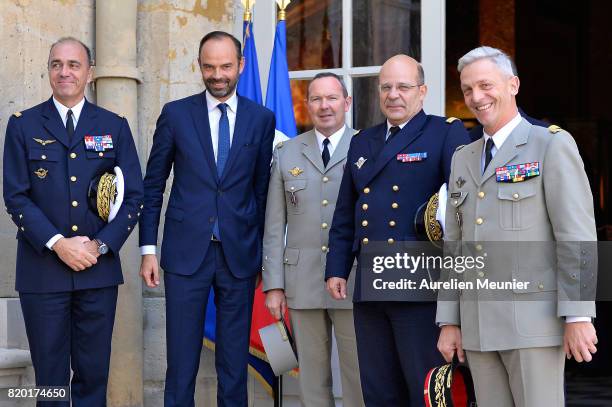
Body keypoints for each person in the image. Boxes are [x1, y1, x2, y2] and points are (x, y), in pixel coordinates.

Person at [436, 46, 598, 407]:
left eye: (485, 85)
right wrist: (449, 320)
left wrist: (578, 314)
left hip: (532, 326)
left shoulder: (550, 145)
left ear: (513, 85)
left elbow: (575, 234)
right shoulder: (463, 158)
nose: (476, 97)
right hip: (478, 328)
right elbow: (455, 246)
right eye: (467, 89)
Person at [2, 37, 143, 405]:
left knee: (93, 376)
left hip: (97, 270)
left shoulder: (114, 126)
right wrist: (59, 244)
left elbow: (133, 197)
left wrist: (98, 246)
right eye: (56, 64)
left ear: (90, 73)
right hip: (42, 271)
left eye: (74, 64)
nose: (64, 72)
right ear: (49, 70)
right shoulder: (22, 125)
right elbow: (16, 196)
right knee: (49, 380)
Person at [138, 31, 275, 407]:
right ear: (199, 66)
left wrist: (263, 254)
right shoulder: (176, 114)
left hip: (240, 256)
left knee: (234, 365)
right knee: (180, 363)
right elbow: (153, 186)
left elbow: (262, 192)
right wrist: (148, 249)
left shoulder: (262, 119)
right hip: (185, 255)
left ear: (241, 66)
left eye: (226, 66)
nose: (218, 75)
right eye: (209, 66)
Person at [325, 54, 470, 406]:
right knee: (378, 388)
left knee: (424, 386)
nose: (394, 95)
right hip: (370, 281)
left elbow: (461, 210)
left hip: (418, 284)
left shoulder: (444, 132)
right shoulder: (363, 141)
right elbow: (347, 210)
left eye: (403, 87)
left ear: (422, 91)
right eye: (386, 87)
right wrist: (337, 269)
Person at [263, 73, 364, 407]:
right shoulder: (287, 152)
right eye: (317, 99)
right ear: (306, 105)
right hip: (301, 281)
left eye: (332, 98)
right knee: (310, 377)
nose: (325, 106)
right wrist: (273, 285)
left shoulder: (366, 147)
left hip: (352, 280)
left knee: (358, 375)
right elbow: (274, 225)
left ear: (346, 103)